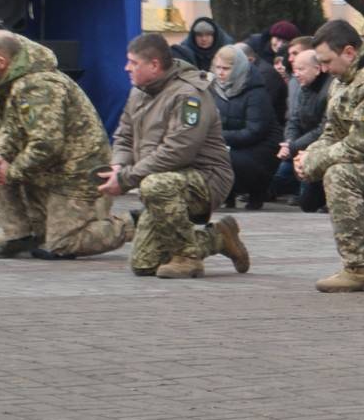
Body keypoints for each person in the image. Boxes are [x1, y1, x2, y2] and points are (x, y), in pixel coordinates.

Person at [102, 34, 249, 279]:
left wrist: (127, 178)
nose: (126, 68)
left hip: (205, 179)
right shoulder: (139, 93)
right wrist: (118, 166)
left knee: (154, 185)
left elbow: (179, 150)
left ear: (154, 65)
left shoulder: (189, 95)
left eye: (133, 62)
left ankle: (187, 258)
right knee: (144, 264)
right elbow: (124, 136)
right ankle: (218, 238)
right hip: (163, 181)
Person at [0, 30, 129, 261]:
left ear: (1, 61)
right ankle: (19, 235)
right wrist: (1, 158)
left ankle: (135, 222)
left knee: (61, 244)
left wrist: (12, 171)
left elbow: (47, 145)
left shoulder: (39, 86)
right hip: (53, 170)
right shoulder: (11, 81)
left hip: (78, 174)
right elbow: (13, 128)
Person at [296, 21, 364, 291]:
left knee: (338, 175)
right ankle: (363, 265)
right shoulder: (341, 81)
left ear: (349, 53)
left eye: (327, 61)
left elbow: (361, 143)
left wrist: (315, 162)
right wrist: (309, 153)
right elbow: (332, 132)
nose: (325, 69)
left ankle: (358, 267)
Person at [208, 43, 279, 210]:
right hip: (232, 142)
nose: (220, 72)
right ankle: (226, 195)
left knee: (225, 157)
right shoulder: (213, 89)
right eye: (217, 67)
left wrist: (218, 137)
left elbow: (255, 131)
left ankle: (256, 192)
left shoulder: (256, 92)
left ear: (238, 68)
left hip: (260, 149)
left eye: (226, 68)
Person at [276, 35, 327, 208]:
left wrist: (294, 147)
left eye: (301, 69)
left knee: (306, 201)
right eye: (295, 69)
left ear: (317, 68)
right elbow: (294, 119)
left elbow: (323, 129)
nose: (296, 74)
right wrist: (289, 142)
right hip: (300, 147)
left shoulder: (328, 89)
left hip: (318, 146)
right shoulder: (303, 87)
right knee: (279, 182)